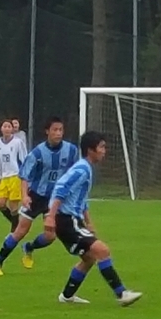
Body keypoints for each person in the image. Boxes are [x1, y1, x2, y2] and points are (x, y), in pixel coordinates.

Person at [45, 130, 142, 306]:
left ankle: (66, 296)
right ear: (91, 150)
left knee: (89, 258)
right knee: (102, 251)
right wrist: (51, 217)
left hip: (70, 219)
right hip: (65, 220)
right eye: (101, 147)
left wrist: (88, 221)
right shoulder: (82, 169)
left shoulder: (85, 168)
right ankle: (121, 294)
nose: (104, 151)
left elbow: (81, 199)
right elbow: (61, 189)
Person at [0, 116, 79, 276]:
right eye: (55, 130)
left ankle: (29, 247)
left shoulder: (71, 150)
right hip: (36, 196)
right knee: (20, 231)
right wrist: (24, 196)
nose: (59, 133)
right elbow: (24, 175)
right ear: (47, 132)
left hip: (54, 200)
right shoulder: (37, 153)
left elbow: (73, 173)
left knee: (51, 236)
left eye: (61, 130)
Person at [0, 119, 27, 234]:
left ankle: (14, 230)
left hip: (15, 176)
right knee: (0, 203)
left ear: (12, 129)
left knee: (13, 206)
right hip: (4, 177)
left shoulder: (17, 142)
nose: (7, 128)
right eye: (5, 126)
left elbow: (24, 158)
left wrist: (25, 175)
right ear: (1, 128)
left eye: (9, 126)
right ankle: (16, 223)